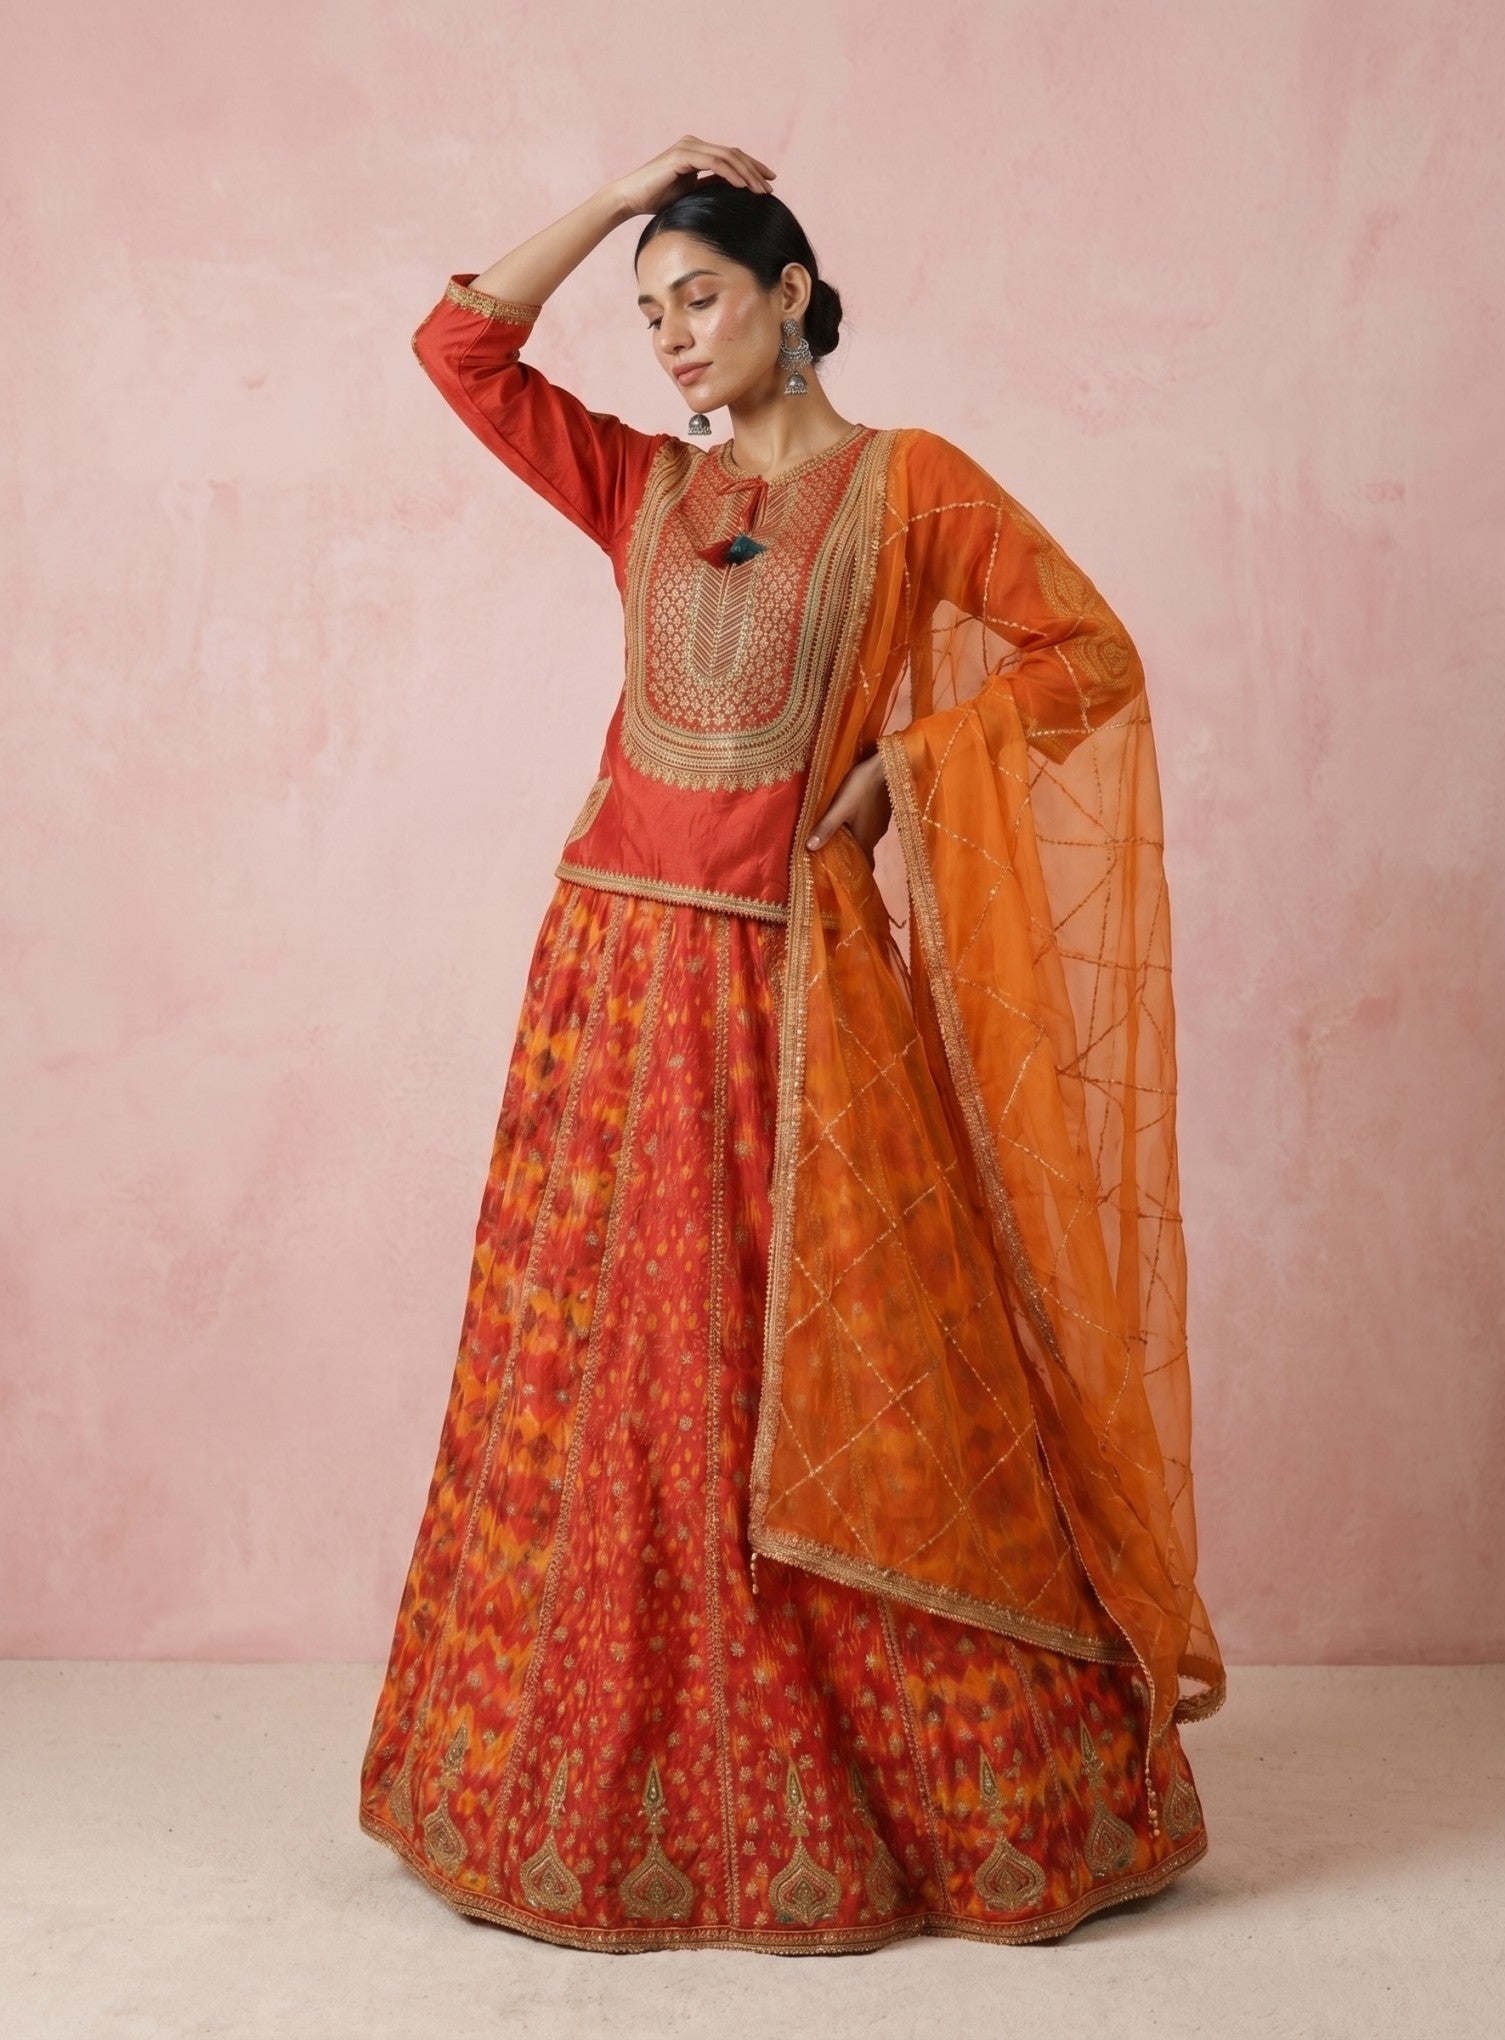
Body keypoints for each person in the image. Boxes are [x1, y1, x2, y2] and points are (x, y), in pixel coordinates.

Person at [358, 136, 1226, 1954]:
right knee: (619, 1390)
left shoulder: (912, 493)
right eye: (650, 309)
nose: (671, 338)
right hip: (611, 989)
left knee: (829, 1376)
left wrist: (905, 775)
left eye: (701, 297)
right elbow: (459, 352)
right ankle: (614, 1780)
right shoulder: (641, 491)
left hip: (795, 992)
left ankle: (902, 1783)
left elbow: (1084, 657)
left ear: (796, 298)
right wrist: (611, 199)